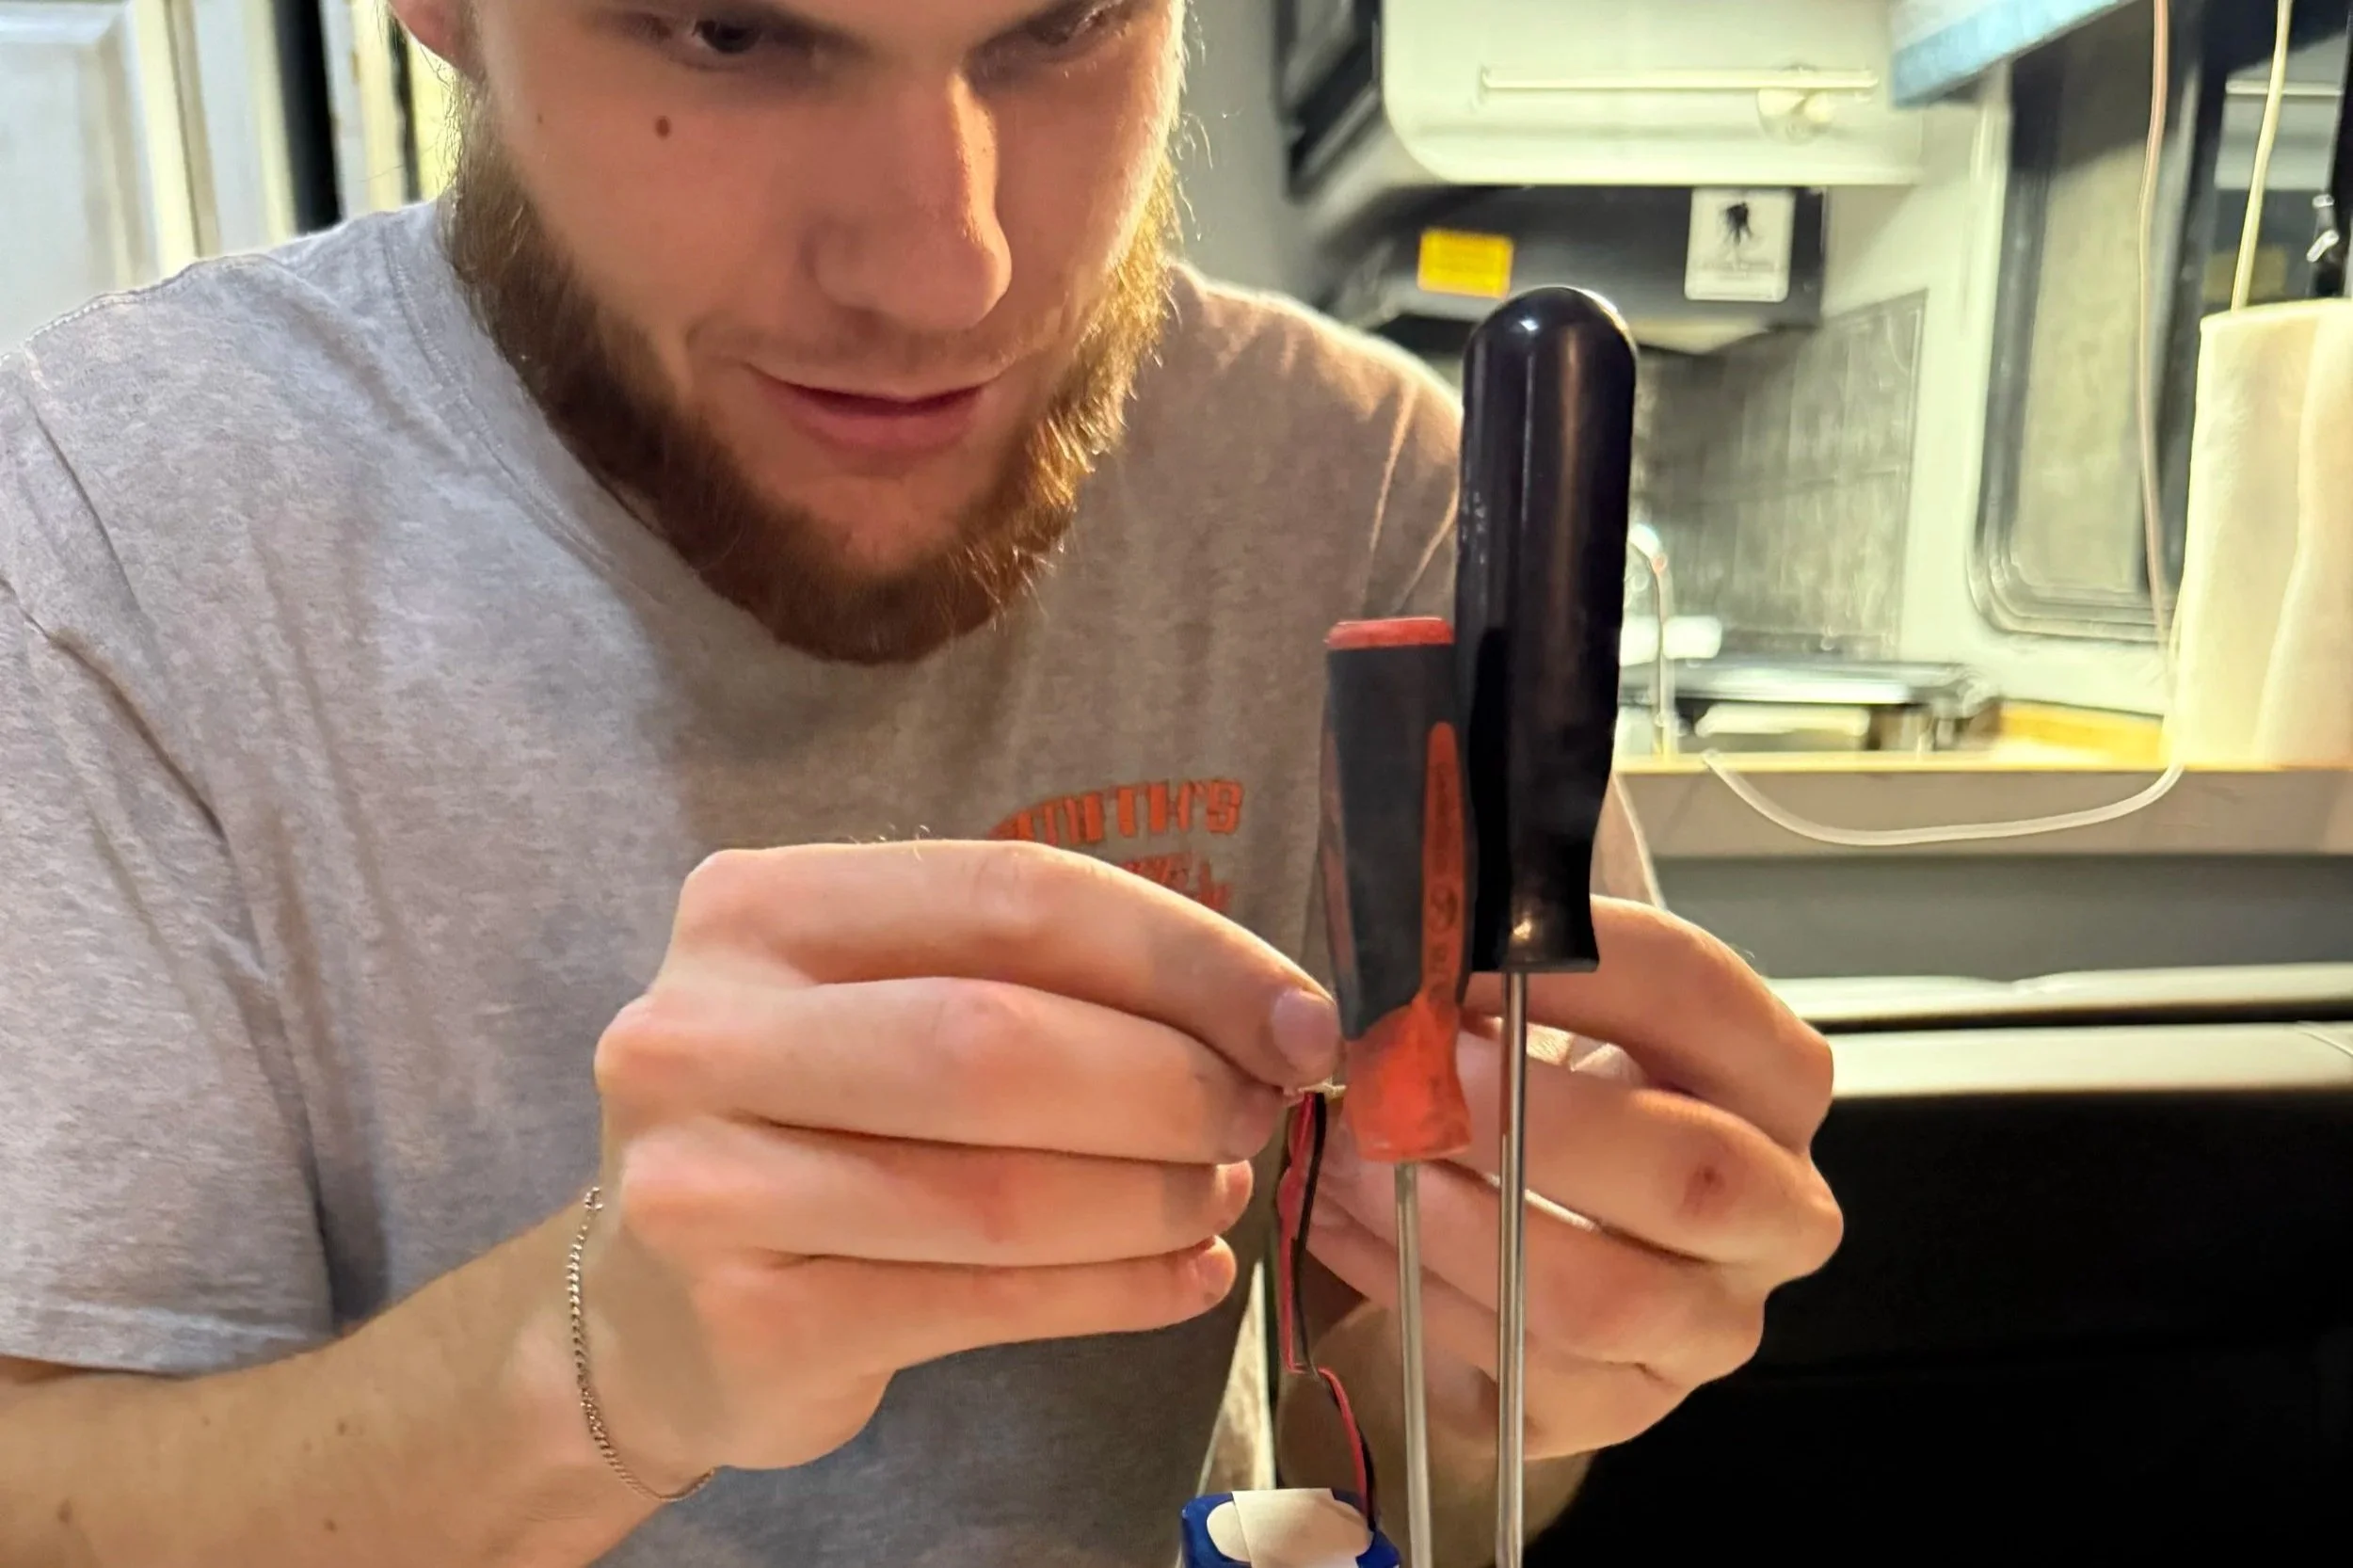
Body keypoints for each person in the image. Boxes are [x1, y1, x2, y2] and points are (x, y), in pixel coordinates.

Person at [0, 2, 1843, 1563]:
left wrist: (1501, 1358)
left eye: (1064, 24)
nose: (944, 270)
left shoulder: (1363, 496)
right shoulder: (108, 518)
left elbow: (1381, 1442)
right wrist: (594, 1363)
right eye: (730, 27)